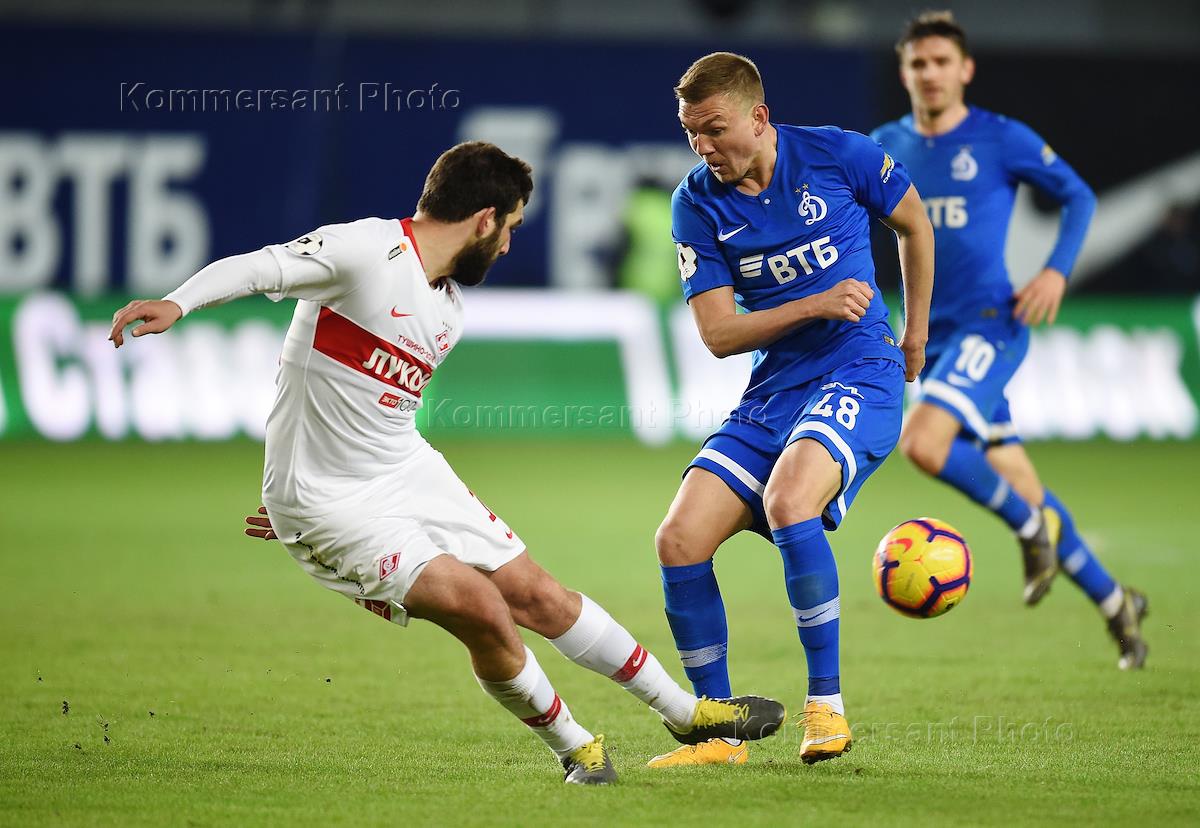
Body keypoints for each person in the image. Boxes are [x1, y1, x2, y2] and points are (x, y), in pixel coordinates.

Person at [108, 141, 786, 785]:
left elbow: (358, 405)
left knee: (538, 594)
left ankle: (685, 715)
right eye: (511, 228)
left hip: (401, 468)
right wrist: (179, 302)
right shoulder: (365, 251)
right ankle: (579, 749)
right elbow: (258, 267)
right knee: (481, 608)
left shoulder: (449, 310)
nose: (510, 243)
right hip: (328, 503)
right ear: (484, 218)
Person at [650, 53, 934, 768]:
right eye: (691, 134)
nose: (704, 147)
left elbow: (915, 223)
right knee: (678, 540)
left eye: (714, 129)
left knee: (788, 498)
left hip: (859, 371)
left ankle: (826, 711)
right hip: (774, 390)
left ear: (759, 117)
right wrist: (813, 301)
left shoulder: (839, 154)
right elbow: (717, 335)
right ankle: (719, 734)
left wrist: (916, 333)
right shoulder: (696, 203)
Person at [871, 11, 1147, 670]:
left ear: (964, 70)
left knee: (924, 444)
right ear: (904, 72)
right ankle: (1117, 605)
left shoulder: (1000, 138)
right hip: (926, 341)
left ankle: (1029, 534)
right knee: (1023, 483)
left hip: (991, 326)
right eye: (917, 63)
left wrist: (1055, 271)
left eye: (941, 62)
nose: (929, 74)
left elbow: (1078, 197)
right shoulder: (883, 145)